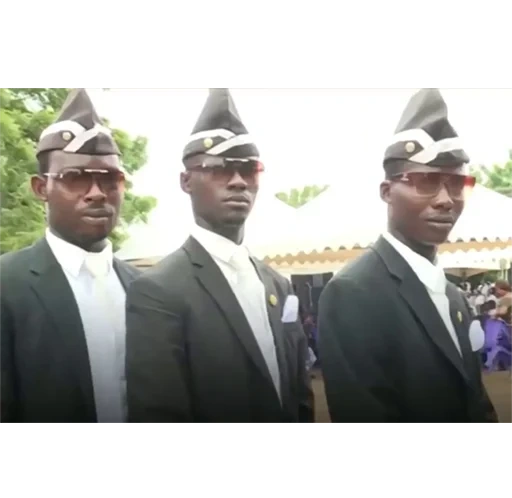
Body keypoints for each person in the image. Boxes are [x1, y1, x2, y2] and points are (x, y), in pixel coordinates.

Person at [125, 88, 314, 424]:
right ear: (186, 181)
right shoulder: (158, 290)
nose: (238, 181)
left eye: (249, 169)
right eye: (219, 169)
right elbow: (159, 412)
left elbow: (298, 391)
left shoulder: (278, 285)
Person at [318, 88, 497, 424]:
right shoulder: (353, 293)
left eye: (457, 183)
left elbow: (477, 402)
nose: (446, 199)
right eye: (426, 181)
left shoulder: (454, 297)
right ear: (387, 191)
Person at [0, 88, 140, 424]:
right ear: (40, 188)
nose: (96, 193)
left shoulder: (146, 289)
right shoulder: (7, 285)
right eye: (74, 178)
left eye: (110, 178)